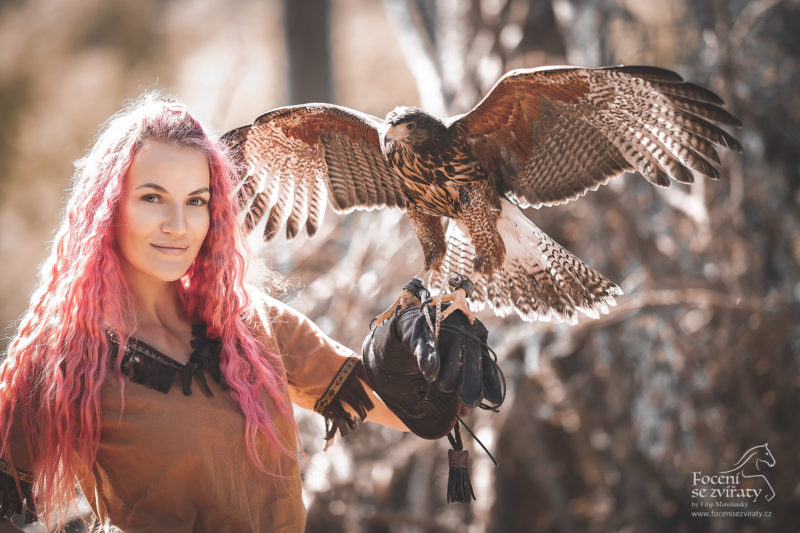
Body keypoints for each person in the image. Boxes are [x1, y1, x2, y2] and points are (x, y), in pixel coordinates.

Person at [0, 93, 410, 532]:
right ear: (108, 207)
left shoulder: (250, 324)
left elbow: (410, 407)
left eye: (196, 201)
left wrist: (438, 359)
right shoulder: (66, 358)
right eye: (153, 198)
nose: (178, 225)